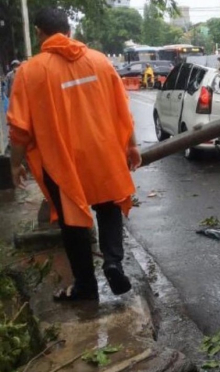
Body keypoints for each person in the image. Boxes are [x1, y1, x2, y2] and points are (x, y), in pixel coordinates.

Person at [7, 7, 142, 301]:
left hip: (62, 162)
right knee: (108, 208)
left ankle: (85, 285)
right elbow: (122, 110)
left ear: (39, 33)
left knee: (72, 222)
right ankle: (113, 262)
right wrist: (131, 145)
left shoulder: (29, 72)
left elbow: (19, 129)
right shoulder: (99, 61)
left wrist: (15, 164)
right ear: (69, 30)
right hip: (102, 153)